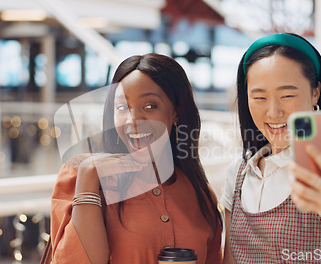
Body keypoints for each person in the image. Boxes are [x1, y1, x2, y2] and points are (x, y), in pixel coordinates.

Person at [50, 53, 223, 264]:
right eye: (122, 108)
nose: (133, 120)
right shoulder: (79, 176)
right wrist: (89, 175)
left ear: (176, 113)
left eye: (150, 106)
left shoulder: (202, 195)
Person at [220, 33, 321, 263]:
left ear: (315, 92)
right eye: (259, 98)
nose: (273, 112)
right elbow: (230, 258)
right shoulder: (238, 173)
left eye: (287, 95)